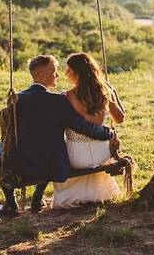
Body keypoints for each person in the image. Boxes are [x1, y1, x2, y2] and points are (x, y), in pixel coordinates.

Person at [0, 54, 114, 216]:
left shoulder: (18, 99)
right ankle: (37, 197)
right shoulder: (58, 101)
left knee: (0, 147)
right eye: (54, 72)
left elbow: (10, 135)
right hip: (53, 166)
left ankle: (11, 204)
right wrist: (108, 132)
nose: (57, 75)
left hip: (23, 168)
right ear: (41, 75)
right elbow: (83, 127)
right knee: (49, 145)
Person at [51, 52, 127, 208]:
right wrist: (113, 93)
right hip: (102, 154)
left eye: (68, 70)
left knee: (58, 151)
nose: (65, 73)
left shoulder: (68, 96)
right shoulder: (104, 92)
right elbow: (120, 118)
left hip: (76, 158)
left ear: (77, 74)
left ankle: (73, 196)